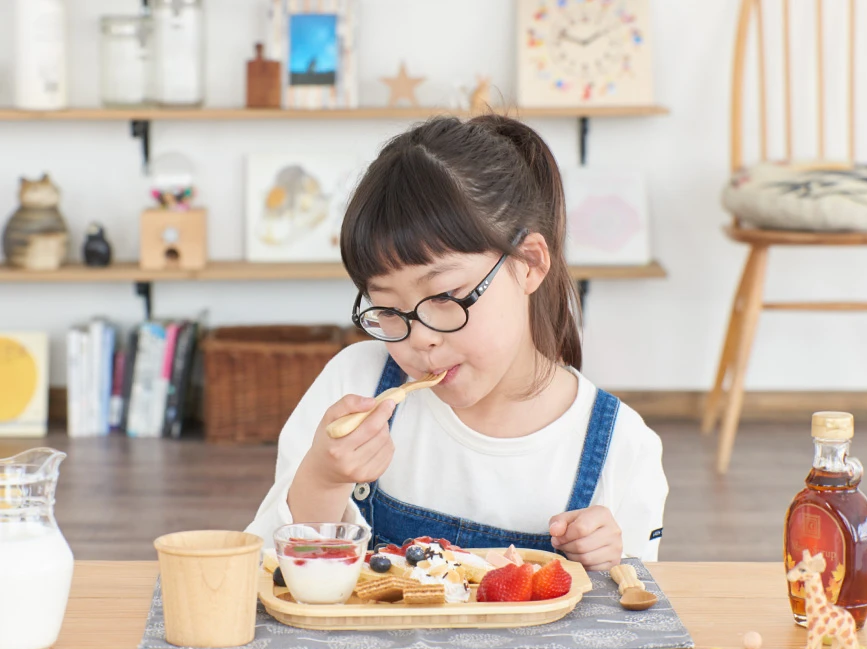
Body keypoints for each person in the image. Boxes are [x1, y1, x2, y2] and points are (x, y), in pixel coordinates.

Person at [247, 114, 667, 570]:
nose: (421, 339)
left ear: (528, 263)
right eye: (388, 310)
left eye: (446, 297)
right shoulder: (355, 386)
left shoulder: (620, 446)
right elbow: (263, 573)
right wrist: (323, 481)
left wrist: (610, 565)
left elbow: (636, 613)